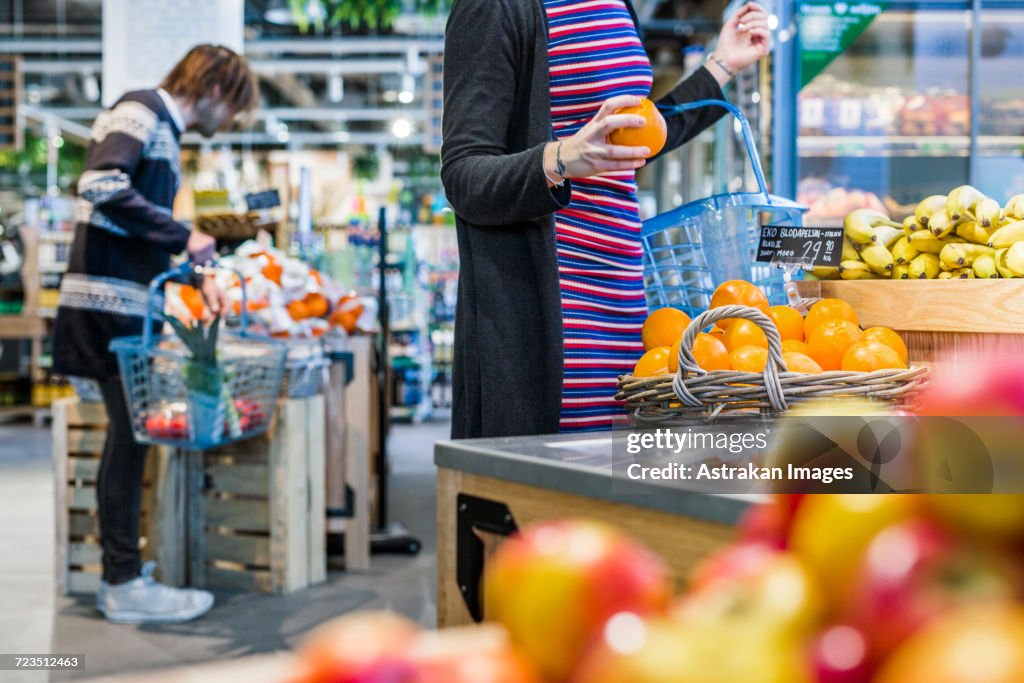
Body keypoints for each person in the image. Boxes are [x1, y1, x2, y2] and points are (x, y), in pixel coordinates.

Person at [442, 0, 771, 438]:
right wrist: (560, 158)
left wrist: (722, 65)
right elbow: (463, 174)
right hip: (549, 316)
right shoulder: (497, 8)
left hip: (625, 303)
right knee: (549, 491)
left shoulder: (618, 4)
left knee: (613, 489)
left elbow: (636, 137)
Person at [52, 44, 258, 624]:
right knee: (130, 438)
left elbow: (137, 228)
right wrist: (187, 235)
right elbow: (99, 184)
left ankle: (124, 576)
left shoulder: (163, 128)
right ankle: (121, 582)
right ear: (217, 88)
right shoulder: (142, 108)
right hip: (108, 308)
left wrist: (197, 275)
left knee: (129, 436)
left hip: (124, 306)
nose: (231, 122)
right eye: (235, 106)